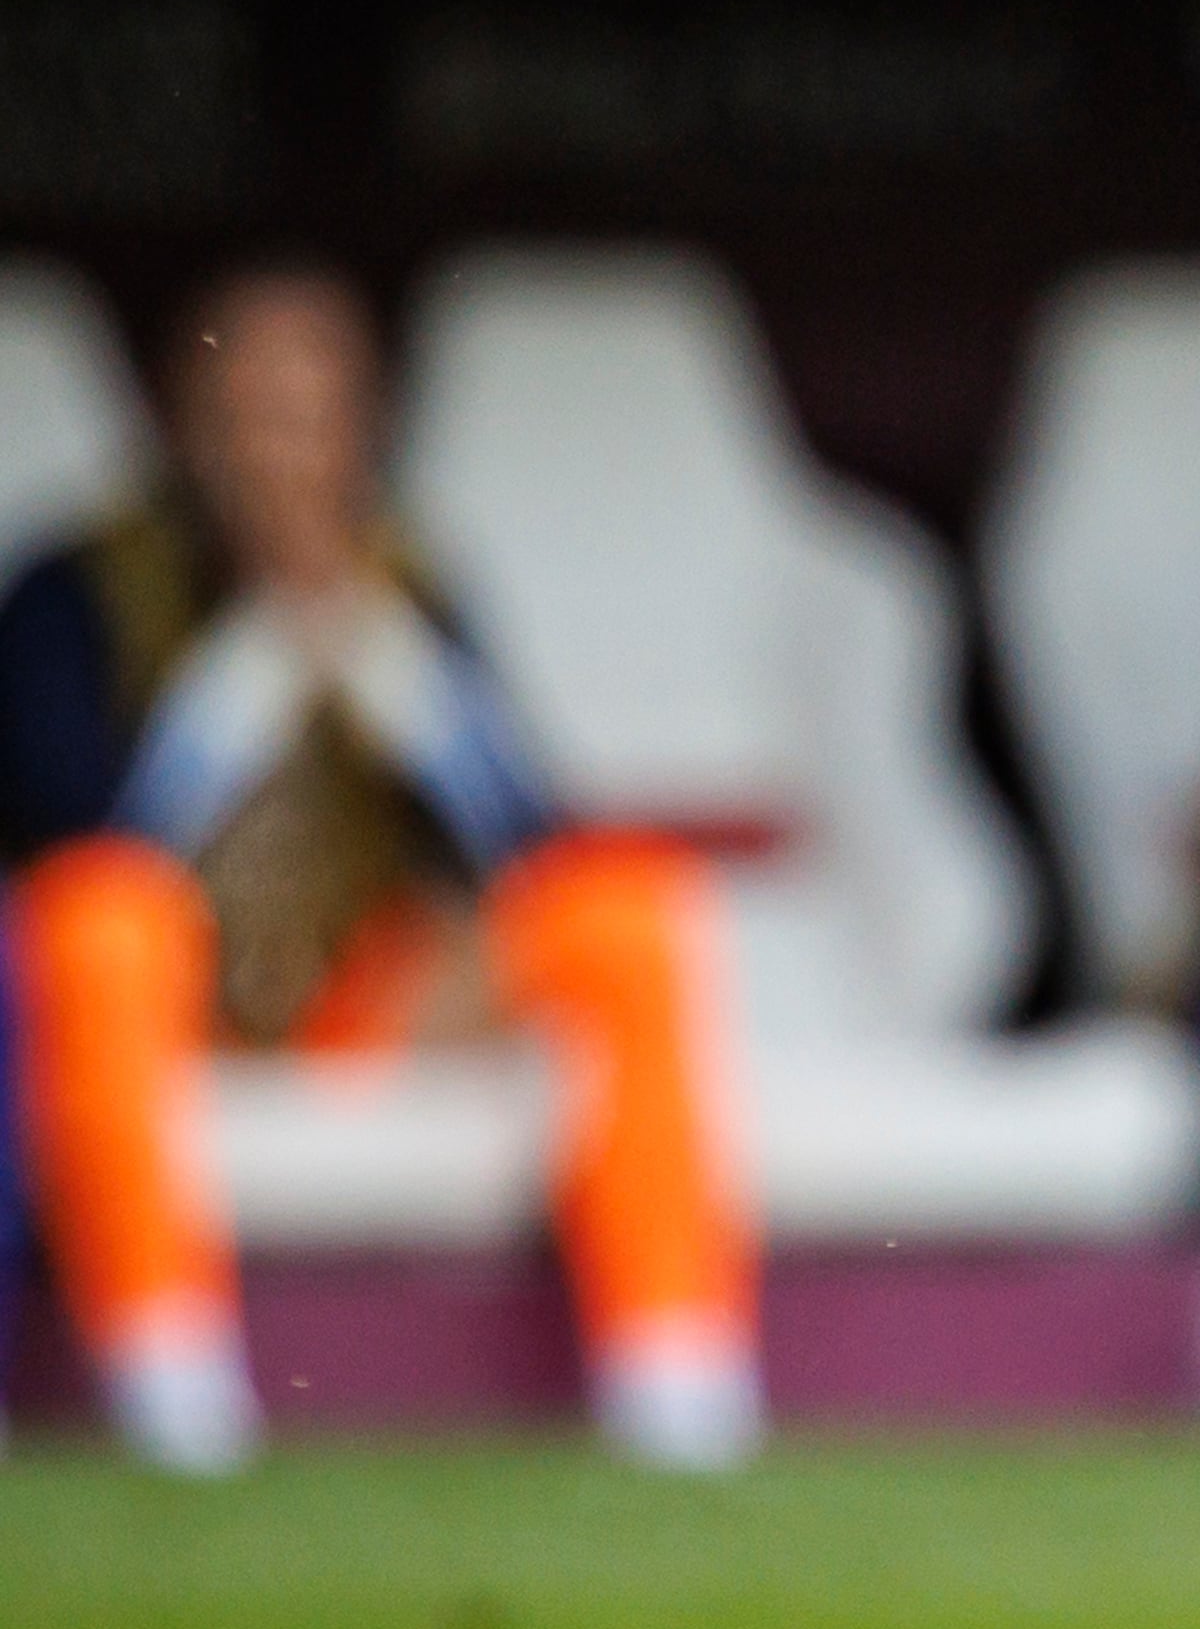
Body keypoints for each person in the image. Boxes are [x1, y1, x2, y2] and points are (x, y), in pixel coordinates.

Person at [0, 266, 762, 1476]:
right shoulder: (75, 584)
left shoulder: (406, 578)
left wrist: (418, 703)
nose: (284, 456)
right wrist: (225, 707)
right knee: (98, 926)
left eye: (314, 417)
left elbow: (537, 840)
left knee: (621, 910)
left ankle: (680, 1383)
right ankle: (172, 1392)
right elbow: (65, 830)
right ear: (185, 422)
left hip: (370, 995)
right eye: (251, 415)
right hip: (167, 1010)